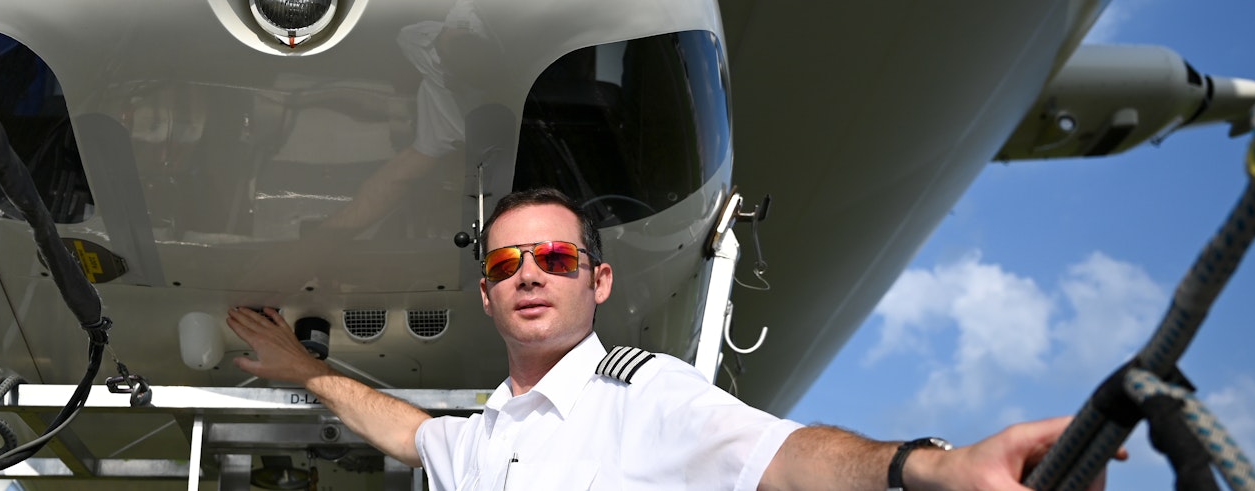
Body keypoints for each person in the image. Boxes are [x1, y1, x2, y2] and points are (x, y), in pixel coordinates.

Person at [226, 187, 1116, 490]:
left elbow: (786, 458)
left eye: (556, 256)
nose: (529, 273)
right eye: (506, 265)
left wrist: (931, 468)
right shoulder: (484, 435)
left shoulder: (642, 391)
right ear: (488, 297)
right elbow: (400, 426)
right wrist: (307, 368)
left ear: (598, 281)